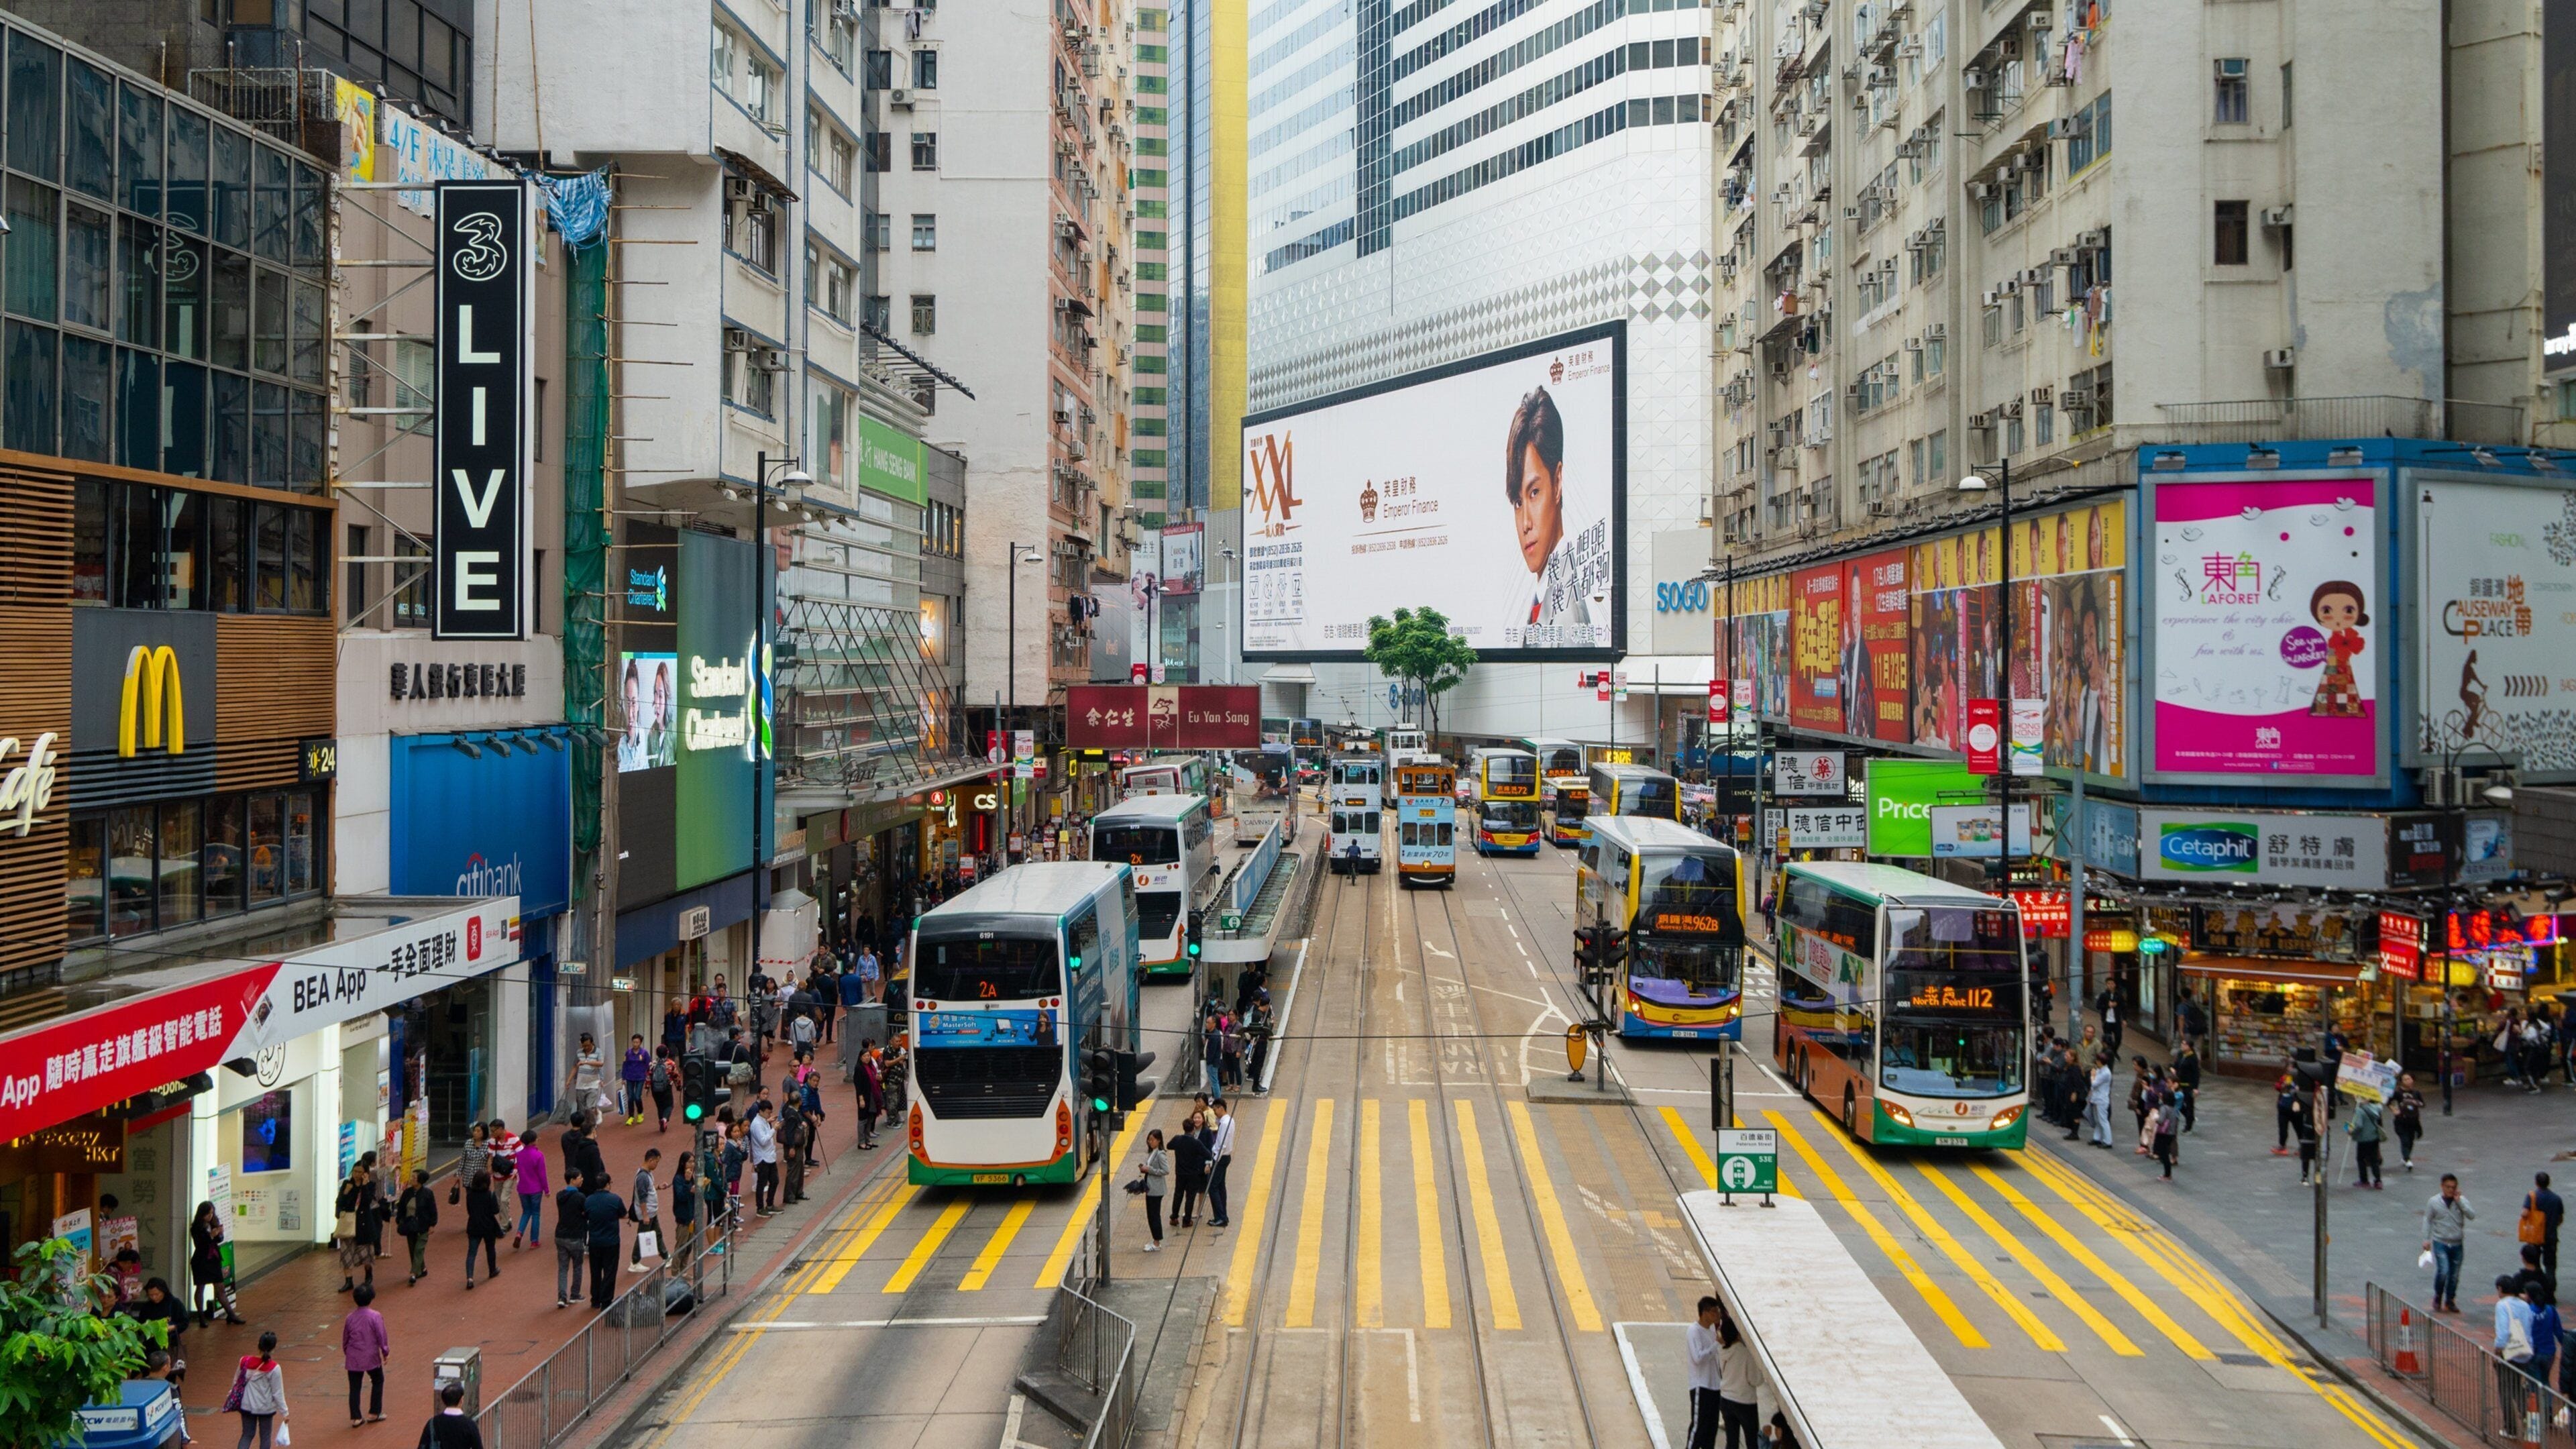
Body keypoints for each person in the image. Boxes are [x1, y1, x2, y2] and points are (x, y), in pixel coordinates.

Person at [227, 1331, 288, 1449]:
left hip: (246, 1405)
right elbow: (277, 1393)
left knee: (247, 1435)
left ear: (258, 1344)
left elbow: (236, 1382)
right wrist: (285, 1412)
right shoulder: (274, 1368)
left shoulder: (244, 1361)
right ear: (273, 1348)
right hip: (265, 1408)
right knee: (265, 1437)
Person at [341, 1283, 390, 1426]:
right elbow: (382, 1336)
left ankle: (356, 1417)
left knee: (354, 1386)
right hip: (371, 1356)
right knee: (378, 1379)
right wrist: (385, 1351)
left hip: (354, 1356)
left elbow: (346, 1338)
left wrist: (348, 1352)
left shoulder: (350, 1318)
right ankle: (374, 1412)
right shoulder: (375, 1316)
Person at [2426, 1173, 2475, 1313]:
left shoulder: (2461, 1201)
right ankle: (2438, 1295)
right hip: (2440, 1241)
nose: (2450, 1190)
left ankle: (2450, 1299)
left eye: (2453, 1187)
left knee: (2454, 1275)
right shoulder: (2434, 1202)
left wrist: (2460, 1202)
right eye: (2448, 1187)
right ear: (2442, 1186)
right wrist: (2426, 1239)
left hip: (2457, 1242)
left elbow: (2471, 1215)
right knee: (2444, 1271)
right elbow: (2428, 1220)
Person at [191, 1202, 244, 1327]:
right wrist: (211, 1235)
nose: (210, 1216)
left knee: (220, 1288)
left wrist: (219, 1234)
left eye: (212, 1213)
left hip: (214, 1259)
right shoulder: (196, 1227)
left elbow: (219, 1240)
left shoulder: (213, 1222)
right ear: (202, 1214)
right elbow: (200, 1245)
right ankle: (201, 1317)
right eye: (208, 1214)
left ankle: (231, 1314)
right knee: (200, 1288)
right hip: (201, 1261)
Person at [2496, 1273, 2540, 1421]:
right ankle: (2526, 1416)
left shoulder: (2502, 1305)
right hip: (2525, 1351)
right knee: (2517, 1386)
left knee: (2505, 1390)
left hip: (2509, 1353)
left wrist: (2497, 1351)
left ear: (2500, 1289)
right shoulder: (2524, 1305)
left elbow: (2503, 1334)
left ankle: (2510, 1427)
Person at [335, 1161, 381, 1292]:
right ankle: (348, 1281)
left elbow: (367, 1203)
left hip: (364, 1225)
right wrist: (346, 1193)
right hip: (348, 1224)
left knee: (366, 1254)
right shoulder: (347, 1184)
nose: (357, 1174)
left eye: (360, 1172)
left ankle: (368, 1275)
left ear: (365, 1173)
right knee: (346, 1254)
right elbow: (340, 1202)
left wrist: (365, 1185)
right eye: (355, 1171)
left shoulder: (369, 1185)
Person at [584, 1173, 627, 1309]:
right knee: (610, 1271)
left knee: (595, 1271)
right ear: (607, 1184)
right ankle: (606, 1300)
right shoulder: (615, 1199)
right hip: (611, 1241)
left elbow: (586, 1215)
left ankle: (595, 1299)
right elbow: (623, 1214)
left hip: (594, 1242)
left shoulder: (589, 1200)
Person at [392, 1170, 437, 1287]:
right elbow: (401, 1208)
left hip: (423, 1226)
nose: (411, 1179)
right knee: (413, 1249)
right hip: (410, 1226)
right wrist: (399, 1220)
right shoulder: (407, 1193)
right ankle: (422, 1269)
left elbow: (433, 1210)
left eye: (414, 1177)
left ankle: (413, 1273)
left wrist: (432, 1225)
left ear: (420, 1180)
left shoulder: (428, 1193)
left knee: (418, 1249)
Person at [1171, 1110, 1213, 1227]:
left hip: (1180, 1173)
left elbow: (1169, 1146)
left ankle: (1174, 1217)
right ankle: (1187, 1220)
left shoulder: (1177, 1139)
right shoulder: (1196, 1143)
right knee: (1190, 1197)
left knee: (1178, 1194)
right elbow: (1208, 1154)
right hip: (1193, 1173)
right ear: (1193, 1129)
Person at [552, 1177, 590, 1309]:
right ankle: (575, 1294)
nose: (582, 1180)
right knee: (577, 1266)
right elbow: (586, 1213)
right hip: (575, 1236)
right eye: (580, 1178)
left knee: (563, 1267)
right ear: (573, 1180)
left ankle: (562, 1297)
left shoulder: (559, 1196)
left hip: (560, 1235)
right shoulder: (580, 1197)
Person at [511, 1129, 551, 1250]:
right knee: (536, 1214)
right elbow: (542, 1175)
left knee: (526, 1212)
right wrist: (546, 1190)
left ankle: (520, 1232)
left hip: (522, 1188)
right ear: (534, 1141)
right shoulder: (539, 1155)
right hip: (535, 1189)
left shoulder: (519, 1155)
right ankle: (534, 1240)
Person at [462, 1171, 503, 1288]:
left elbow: (469, 1211)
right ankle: (492, 1270)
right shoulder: (490, 1195)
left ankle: (470, 1278)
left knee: (471, 1253)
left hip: (474, 1226)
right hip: (488, 1227)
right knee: (490, 1249)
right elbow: (495, 1211)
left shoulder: (470, 1195)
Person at [420, 1381, 484, 1449]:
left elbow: (423, 1446)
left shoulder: (432, 1423)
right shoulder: (470, 1425)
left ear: (444, 1401)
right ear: (461, 1400)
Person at [1205, 1097, 1237, 1230]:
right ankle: (1223, 1214)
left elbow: (1222, 1144)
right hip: (1225, 1157)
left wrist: (1214, 1160)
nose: (1215, 1113)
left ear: (1220, 1108)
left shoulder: (1224, 1124)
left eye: (1215, 1110)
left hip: (1220, 1158)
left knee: (1213, 1187)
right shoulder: (1229, 1120)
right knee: (1220, 1186)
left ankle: (1220, 1217)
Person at [2529, 1173, 2566, 1283]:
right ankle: (2550, 1291)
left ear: (2536, 1183)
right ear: (2549, 1183)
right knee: (2550, 1265)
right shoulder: (2556, 1199)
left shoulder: (2533, 1197)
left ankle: (2538, 1285)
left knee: (2535, 1262)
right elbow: (2560, 1218)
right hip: (2551, 1235)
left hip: (2536, 1235)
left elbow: (2525, 1213)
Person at [1139, 1130, 1171, 1252]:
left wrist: (1149, 1170)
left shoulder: (1160, 1154)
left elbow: (1166, 1171)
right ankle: (1155, 1240)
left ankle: (1157, 1243)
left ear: (1159, 1140)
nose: (1150, 1142)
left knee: (1154, 1216)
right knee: (1151, 1215)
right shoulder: (1153, 1152)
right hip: (1150, 1188)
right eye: (1149, 1140)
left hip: (1156, 1190)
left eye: (1152, 1140)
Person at [749, 1102, 782, 1215]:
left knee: (775, 1181)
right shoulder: (757, 1124)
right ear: (761, 1111)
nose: (769, 1114)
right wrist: (774, 1129)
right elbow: (763, 1141)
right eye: (768, 1112)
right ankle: (760, 1208)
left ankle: (770, 1204)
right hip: (762, 1158)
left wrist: (769, 1122)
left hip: (770, 1156)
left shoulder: (763, 1121)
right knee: (761, 1184)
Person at [2347, 1093, 2385, 1189]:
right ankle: (2378, 1181)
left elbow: (2359, 1125)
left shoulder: (2359, 1110)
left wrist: (2352, 1130)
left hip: (2363, 1139)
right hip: (2374, 1137)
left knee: (2361, 1159)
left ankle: (2364, 1180)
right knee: (2374, 1160)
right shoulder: (2375, 1108)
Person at [2392, 1073, 2427, 1171]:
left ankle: (2405, 1157)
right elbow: (2389, 1101)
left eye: (2409, 1079)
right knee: (2405, 1140)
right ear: (2402, 1082)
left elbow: (2422, 1104)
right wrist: (2394, 1110)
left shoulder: (2416, 1093)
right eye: (2405, 1079)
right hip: (2401, 1121)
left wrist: (2416, 1103)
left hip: (2414, 1121)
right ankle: (2407, 1159)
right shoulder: (2398, 1093)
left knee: (2411, 1140)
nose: (2408, 1081)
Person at [567, 1033, 606, 1119]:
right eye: (584, 1046)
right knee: (581, 1108)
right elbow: (575, 1067)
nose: (586, 1048)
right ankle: (584, 1123)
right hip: (580, 1084)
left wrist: (586, 1062)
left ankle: (590, 1125)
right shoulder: (579, 1052)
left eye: (588, 1046)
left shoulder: (598, 1051)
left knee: (589, 1108)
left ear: (592, 1043)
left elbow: (601, 1063)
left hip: (593, 1083)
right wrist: (569, 1080)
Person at [2290, 1085, 2320, 1186]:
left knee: (2318, 1153)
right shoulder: (2306, 1096)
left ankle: (2313, 1177)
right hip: (2310, 1126)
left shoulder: (2319, 1096)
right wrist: (2296, 1100)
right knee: (2307, 1151)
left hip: (2317, 1127)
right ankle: (2305, 1176)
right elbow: (2295, 1093)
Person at [621, 1034, 651, 1125]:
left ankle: (640, 1113)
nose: (635, 1044)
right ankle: (631, 1117)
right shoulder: (628, 1053)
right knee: (630, 1098)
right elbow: (625, 1065)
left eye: (637, 1042)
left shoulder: (644, 1053)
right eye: (634, 1042)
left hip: (640, 1077)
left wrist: (647, 1076)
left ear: (640, 1043)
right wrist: (623, 1077)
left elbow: (648, 1065)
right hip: (630, 1077)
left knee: (637, 1097)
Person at [2152, 1089, 2182, 1181]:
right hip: (2171, 1134)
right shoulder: (2173, 1109)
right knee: (2165, 1153)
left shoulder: (2164, 1108)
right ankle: (2167, 1174)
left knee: (2164, 1155)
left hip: (2164, 1133)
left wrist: (2155, 1118)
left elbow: (2161, 1121)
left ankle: (2167, 1175)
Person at [2084, 1056, 2114, 1148]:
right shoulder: (2100, 1070)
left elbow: (2094, 1083)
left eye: (2097, 1060)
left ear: (2100, 1061)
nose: (2096, 1062)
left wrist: (2092, 1076)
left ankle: (2108, 1141)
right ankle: (2097, 1138)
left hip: (2102, 1099)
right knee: (2098, 1120)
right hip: (2096, 1098)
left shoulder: (2106, 1073)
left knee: (2103, 1120)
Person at [2173, 1039, 2202, 1132]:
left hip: (2189, 1084)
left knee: (2189, 1104)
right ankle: (2189, 1117)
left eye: (2184, 1044)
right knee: (2178, 1101)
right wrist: (2173, 1069)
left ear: (2189, 1047)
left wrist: (2195, 1088)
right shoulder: (2181, 1054)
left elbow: (2196, 1073)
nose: (2182, 1045)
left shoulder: (2193, 1058)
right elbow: (2176, 1065)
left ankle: (2188, 1125)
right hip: (2179, 1083)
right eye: (2182, 1044)